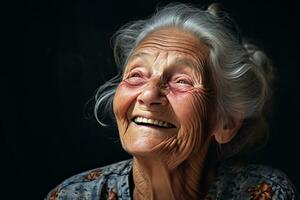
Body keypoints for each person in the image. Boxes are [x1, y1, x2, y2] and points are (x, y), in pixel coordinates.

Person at [45, 3, 299, 200]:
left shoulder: (265, 193)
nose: (148, 94)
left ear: (226, 122)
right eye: (136, 75)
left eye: (182, 81)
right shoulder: (74, 195)